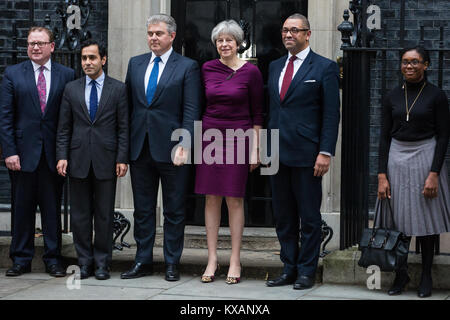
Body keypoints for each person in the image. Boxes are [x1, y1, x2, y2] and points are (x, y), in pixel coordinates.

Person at [121, 14, 201, 282]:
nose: (153, 37)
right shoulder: (135, 64)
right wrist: (124, 150)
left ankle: (171, 263)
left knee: (174, 210)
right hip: (140, 148)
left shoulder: (187, 67)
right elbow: (128, 110)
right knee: (143, 210)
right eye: (150, 33)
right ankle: (142, 260)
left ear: (172, 36)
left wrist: (185, 144)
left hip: (173, 150)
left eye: (158, 33)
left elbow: (191, 110)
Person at [265, 14, 340, 290]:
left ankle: (307, 271)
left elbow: (331, 115)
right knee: (283, 216)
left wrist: (325, 152)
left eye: (294, 30)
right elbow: (272, 110)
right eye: (285, 30)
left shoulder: (325, 68)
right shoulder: (274, 67)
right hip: (276, 153)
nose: (288, 35)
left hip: (308, 154)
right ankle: (289, 268)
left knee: (309, 216)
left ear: (307, 34)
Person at [0, 26, 75, 277]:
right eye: (31, 43)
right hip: (21, 155)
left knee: (52, 209)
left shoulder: (67, 74)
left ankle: (53, 259)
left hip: (54, 155)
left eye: (40, 43)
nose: (35, 47)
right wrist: (10, 151)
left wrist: (65, 153)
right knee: (22, 208)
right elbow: (6, 117)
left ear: (52, 46)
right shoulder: (13, 74)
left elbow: (69, 118)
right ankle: (21, 259)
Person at [195, 20, 264, 285]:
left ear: (238, 43)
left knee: (234, 199)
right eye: (220, 41)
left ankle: (235, 259)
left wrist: (255, 148)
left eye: (229, 40)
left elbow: (257, 112)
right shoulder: (207, 68)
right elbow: (201, 103)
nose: (224, 44)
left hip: (240, 136)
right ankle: (212, 258)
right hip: (211, 136)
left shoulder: (251, 73)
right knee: (211, 198)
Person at [377, 46, 450, 298]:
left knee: (426, 218)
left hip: (426, 155)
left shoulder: (436, 96)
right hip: (397, 158)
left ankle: (427, 274)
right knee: (399, 220)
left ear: (426, 65)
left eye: (415, 62)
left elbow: (443, 137)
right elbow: (384, 137)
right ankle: (401, 273)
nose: (409, 66)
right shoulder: (391, 96)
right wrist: (381, 175)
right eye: (405, 62)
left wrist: (434, 173)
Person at [56, 39, 129, 280]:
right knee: (80, 216)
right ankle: (84, 262)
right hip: (77, 160)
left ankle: (102, 264)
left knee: (105, 215)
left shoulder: (118, 89)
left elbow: (123, 128)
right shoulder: (71, 88)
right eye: (84, 58)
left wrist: (122, 158)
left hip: (107, 160)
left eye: (92, 58)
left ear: (103, 60)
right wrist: (62, 156)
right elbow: (64, 127)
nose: (88, 62)